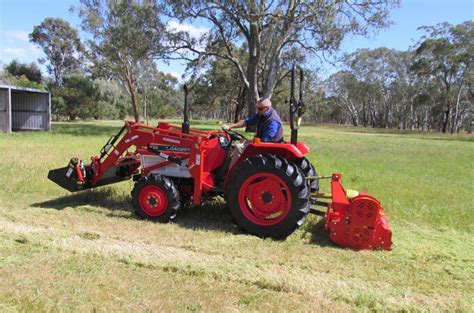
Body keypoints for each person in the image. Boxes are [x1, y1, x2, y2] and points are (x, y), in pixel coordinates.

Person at [223, 97, 284, 169]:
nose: (258, 111)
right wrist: (230, 126)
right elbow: (246, 122)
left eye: (260, 109)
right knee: (237, 144)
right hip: (263, 144)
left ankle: (230, 175)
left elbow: (265, 141)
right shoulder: (261, 115)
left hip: (269, 148)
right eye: (257, 108)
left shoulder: (272, 121)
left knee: (239, 148)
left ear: (267, 108)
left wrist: (248, 142)